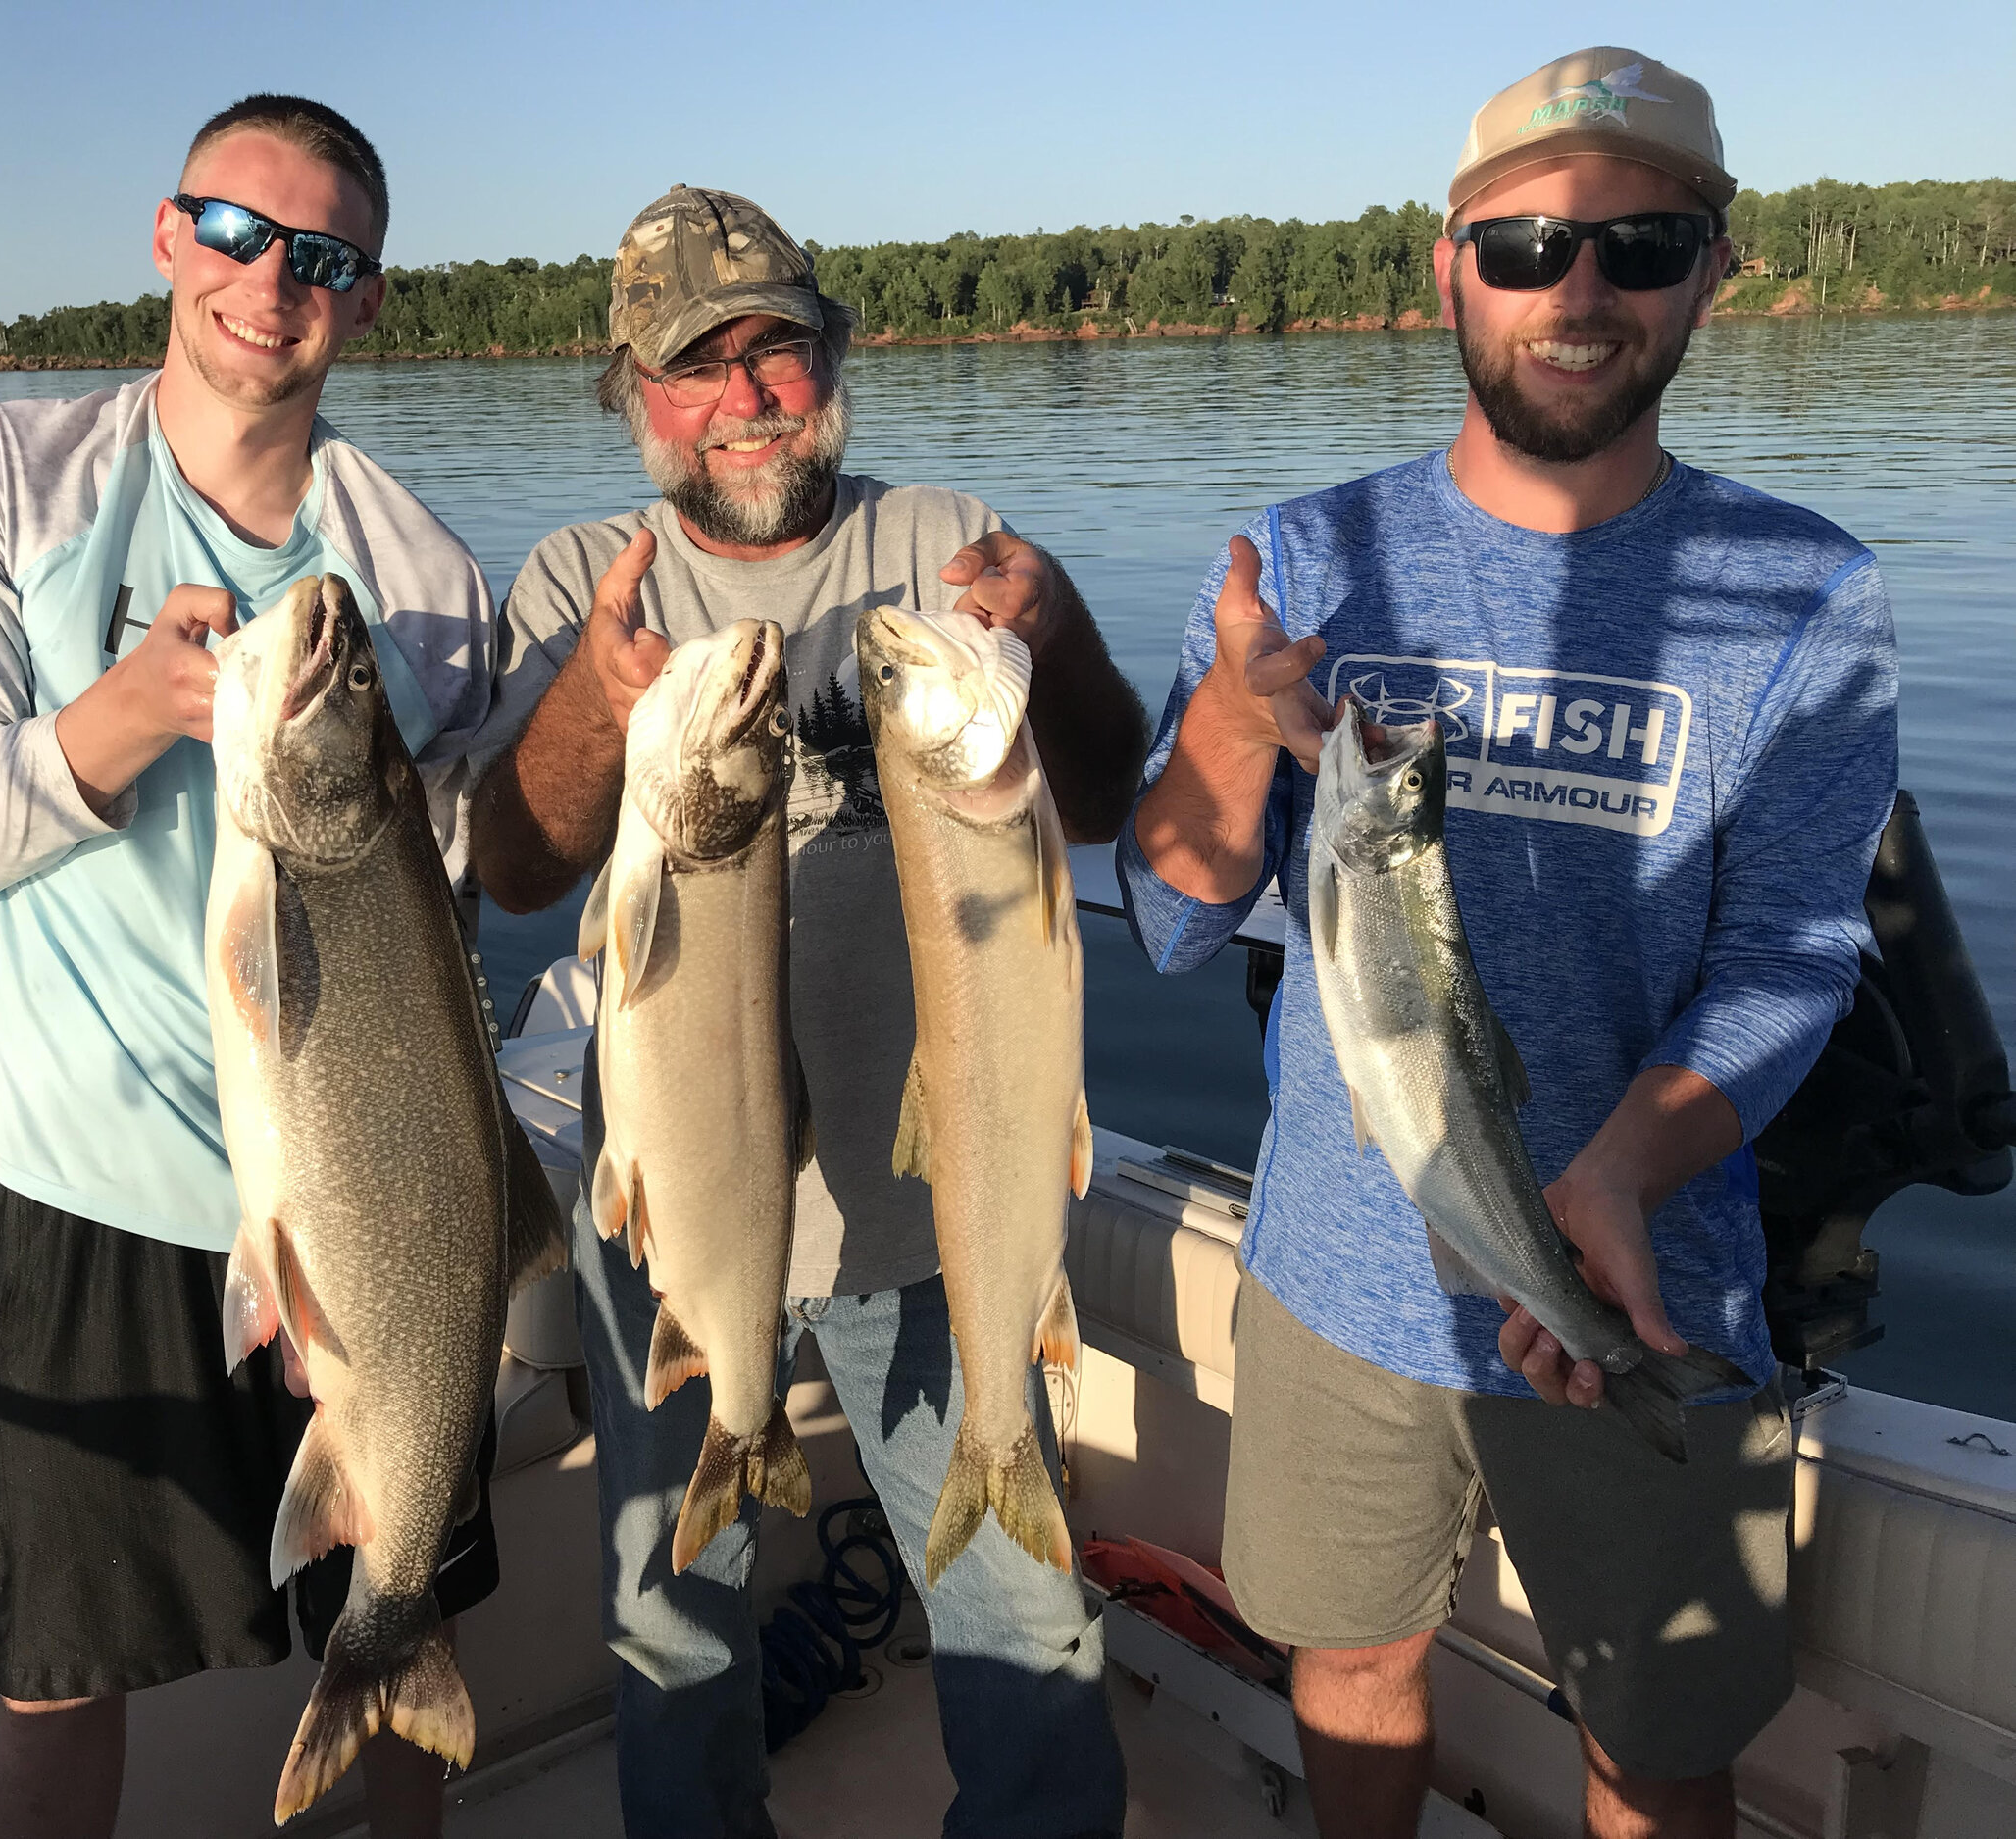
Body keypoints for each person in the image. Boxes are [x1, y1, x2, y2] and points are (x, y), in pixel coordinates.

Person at [1119, 48, 1895, 1839]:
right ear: (1450, 261)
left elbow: (1793, 952)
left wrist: (1625, 1166)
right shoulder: (1304, 560)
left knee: (1658, 1740)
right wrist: (1235, 730)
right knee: (1351, 1659)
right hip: (1334, 1272)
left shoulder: (1806, 591)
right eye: (1530, 243)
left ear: (1718, 266)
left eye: (1640, 241)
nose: (1581, 290)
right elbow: (1166, 917)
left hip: (1634, 1278)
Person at [467, 185, 1146, 1838]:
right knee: (669, 1629)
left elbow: (1110, 795)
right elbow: (510, 864)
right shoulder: (582, 583)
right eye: (700, 367)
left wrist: (1055, 638)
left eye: (779, 352)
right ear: (634, 392)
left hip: (939, 1212)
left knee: (1028, 1623)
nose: (749, 397)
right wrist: (589, 706)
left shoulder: (943, 544)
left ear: (834, 359)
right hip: (680, 1212)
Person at [0, 95, 503, 1839]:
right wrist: (122, 716)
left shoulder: (426, 577)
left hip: (372, 1190)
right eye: (235, 230)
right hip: (93, 1192)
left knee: (402, 1607)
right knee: (58, 1672)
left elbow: (451, 913)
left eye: (321, 258)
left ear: (367, 302)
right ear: (167, 236)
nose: (268, 281)